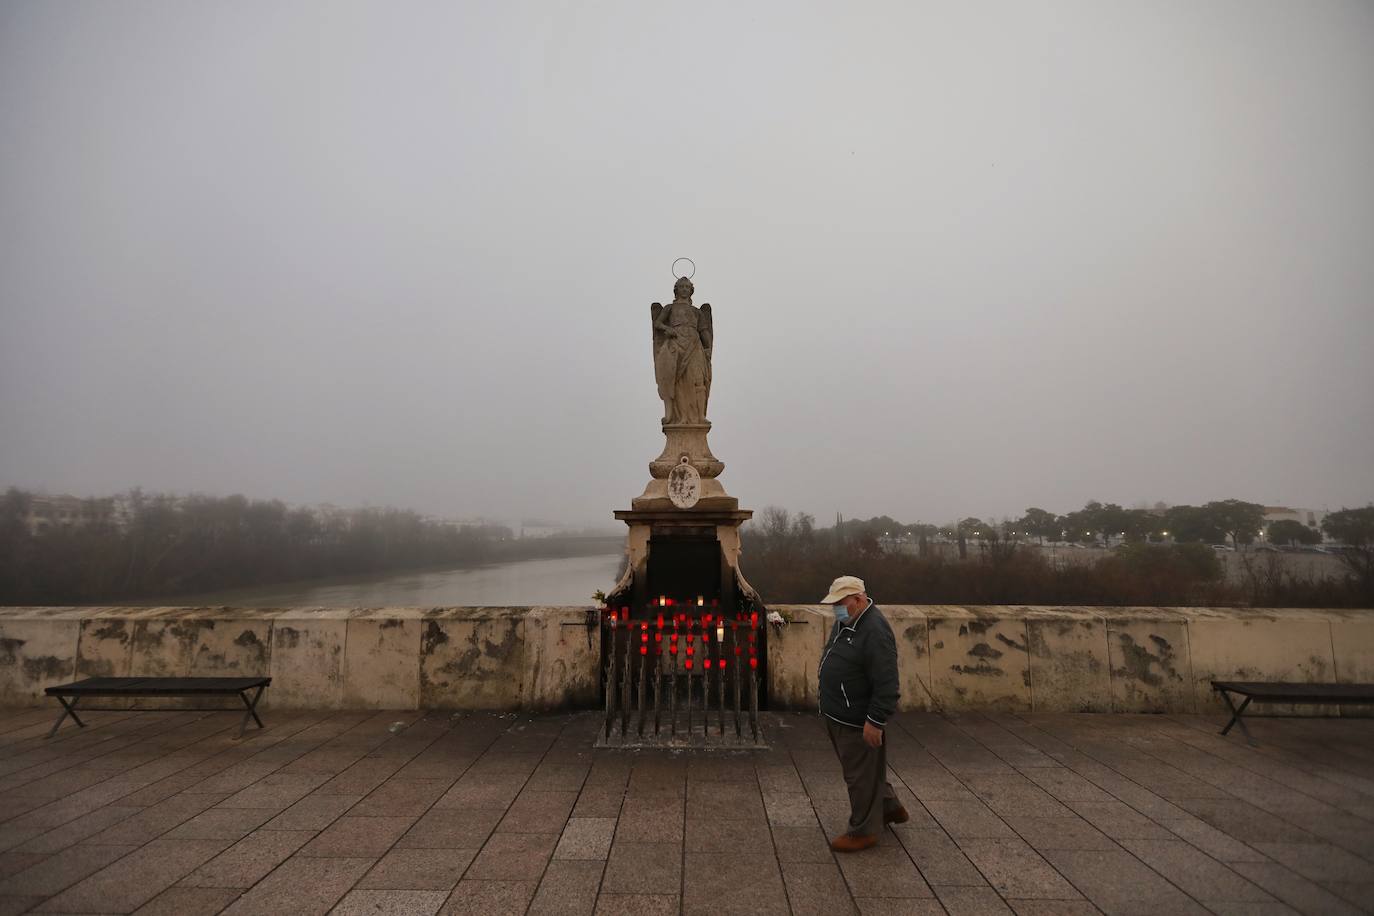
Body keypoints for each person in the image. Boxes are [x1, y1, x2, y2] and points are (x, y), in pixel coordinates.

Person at [817, 574, 905, 852]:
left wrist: (875, 721)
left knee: (858, 774)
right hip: (838, 711)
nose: (836, 609)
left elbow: (887, 682)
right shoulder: (848, 621)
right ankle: (888, 806)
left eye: (841, 603)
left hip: (855, 716)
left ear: (858, 599)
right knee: (867, 768)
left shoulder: (875, 631)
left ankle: (863, 830)